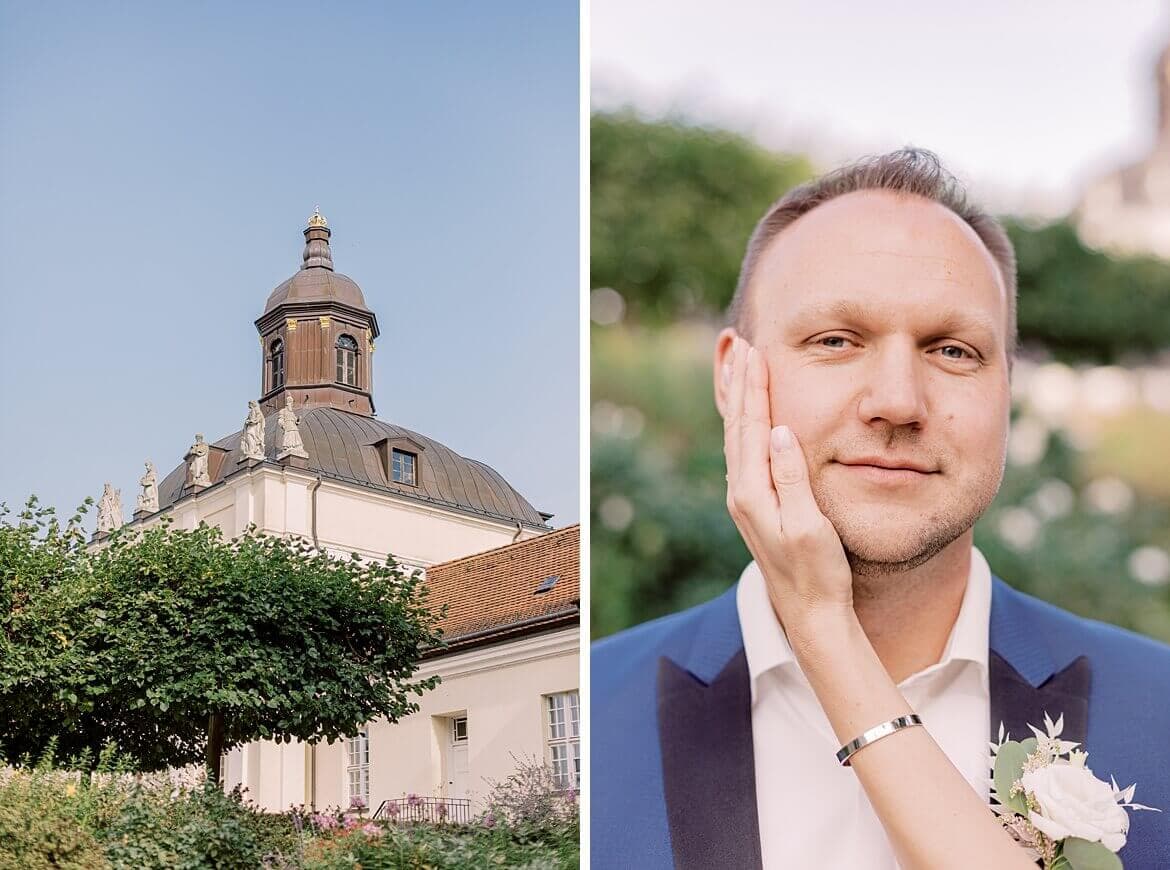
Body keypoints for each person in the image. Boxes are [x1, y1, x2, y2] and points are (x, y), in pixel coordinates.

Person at [590, 149, 1170, 868]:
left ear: (1006, 391)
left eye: (954, 351)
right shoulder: (593, 715)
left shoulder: (1161, 707)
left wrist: (822, 627)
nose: (898, 401)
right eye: (836, 340)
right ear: (732, 376)